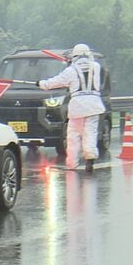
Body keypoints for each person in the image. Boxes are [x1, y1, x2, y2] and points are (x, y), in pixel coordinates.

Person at [37, 43, 105, 172]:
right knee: (90, 133)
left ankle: (72, 163)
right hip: (95, 104)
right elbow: (86, 68)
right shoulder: (97, 67)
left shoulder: (71, 70)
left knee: (73, 135)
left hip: (78, 106)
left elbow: (55, 82)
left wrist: (42, 84)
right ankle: (90, 158)